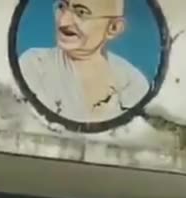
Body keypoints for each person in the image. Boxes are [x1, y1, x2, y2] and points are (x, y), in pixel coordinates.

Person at [17, 0, 150, 124]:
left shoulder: (132, 84)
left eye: (81, 12)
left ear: (113, 28)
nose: (63, 22)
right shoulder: (36, 66)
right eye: (62, 7)